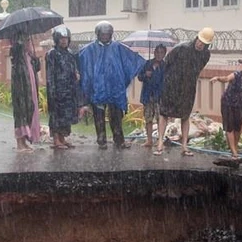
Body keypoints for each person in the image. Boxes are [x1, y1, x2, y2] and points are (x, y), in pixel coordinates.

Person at [78, 21, 145, 149]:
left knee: (116, 116)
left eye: (107, 34)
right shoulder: (89, 50)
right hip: (98, 89)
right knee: (99, 116)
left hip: (115, 88)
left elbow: (131, 60)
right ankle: (101, 140)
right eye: (102, 34)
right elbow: (82, 65)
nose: (105, 36)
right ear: (98, 34)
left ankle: (119, 140)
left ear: (111, 34)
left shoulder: (118, 47)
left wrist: (145, 66)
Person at [154, 27, 215, 156]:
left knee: (185, 115)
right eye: (200, 41)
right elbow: (167, 62)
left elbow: (197, 70)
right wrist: (169, 80)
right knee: (164, 113)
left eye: (204, 44)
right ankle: (160, 143)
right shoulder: (182, 47)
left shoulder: (206, 55)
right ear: (197, 38)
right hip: (171, 85)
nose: (200, 44)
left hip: (188, 88)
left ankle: (184, 146)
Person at [45, 25, 82, 149]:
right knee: (56, 115)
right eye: (61, 38)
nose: (64, 41)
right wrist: (52, 91)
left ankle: (62, 138)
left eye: (66, 38)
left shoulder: (70, 53)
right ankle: (56, 140)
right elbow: (50, 74)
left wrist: (76, 74)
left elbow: (74, 68)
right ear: (56, 39)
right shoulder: (52, 54)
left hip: (69, 90)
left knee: (66, 116)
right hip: (57, 90)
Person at [10, 33, 41, 152]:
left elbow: (37, 68)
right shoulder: (18, 57)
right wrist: (20, 44)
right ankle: (20, 143)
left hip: (30, 90)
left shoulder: (28, 56)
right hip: (20, 90)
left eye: (29, 40)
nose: (28, 43)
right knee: (20, 114)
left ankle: (25, 141)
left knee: (29, 112)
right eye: (26, 40)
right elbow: (15, 50)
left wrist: (35, 57)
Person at [137, 44, 167, 148]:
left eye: (161, 52)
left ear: (164, 54)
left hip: (159, 97)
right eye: (157, 52)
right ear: (154, 53)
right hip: (148, 95)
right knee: (148, 118)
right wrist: (146, 75)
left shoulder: (165, 66)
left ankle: (160, 141)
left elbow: (167, 81)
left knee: (160, 119)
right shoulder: (148, 64)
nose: (159, 54)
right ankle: (149, 140)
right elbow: (139, 77)